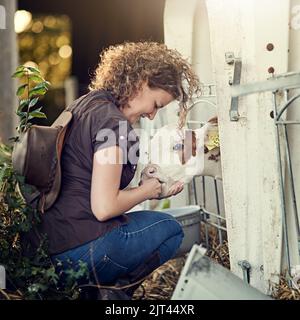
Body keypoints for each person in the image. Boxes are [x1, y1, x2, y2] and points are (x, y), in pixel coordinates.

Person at [25, 41, 200, 299]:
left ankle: (95, 293)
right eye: (156, 105)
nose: (152, 116)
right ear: (141, 82)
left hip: (46, 246)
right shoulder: (114, 126)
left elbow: (86, 184)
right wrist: (149, 190)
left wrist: (139, 186)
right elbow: (104, 208)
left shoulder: (86, 104)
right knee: (170, 227)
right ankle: (110, 297)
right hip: (75, 251)